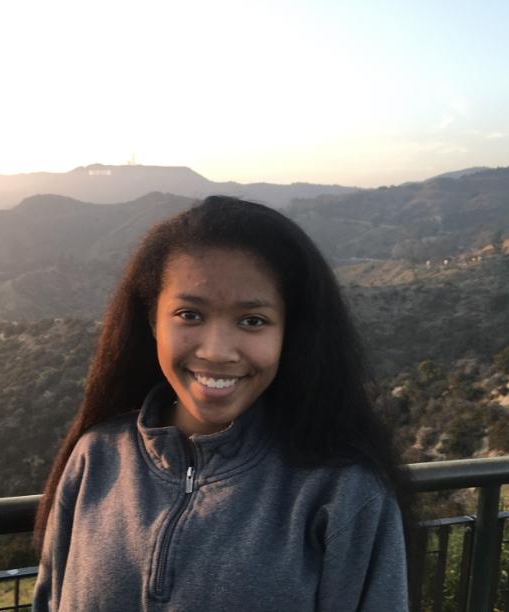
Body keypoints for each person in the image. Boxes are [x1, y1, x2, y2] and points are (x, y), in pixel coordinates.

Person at [32, 196, 411, 611]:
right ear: (152, 321)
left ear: (290, 335)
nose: (216, 351)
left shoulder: (342, 494)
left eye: (252, 321)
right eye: (190, 314)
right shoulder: (95, 459)